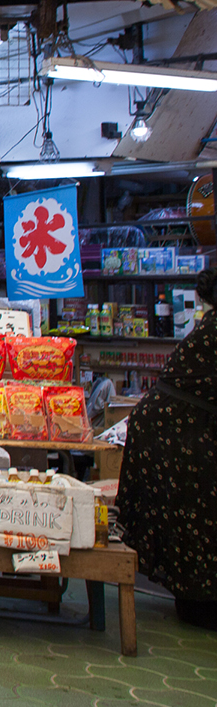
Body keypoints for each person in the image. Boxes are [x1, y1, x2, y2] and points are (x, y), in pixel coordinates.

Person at [117, 268, 217, 630]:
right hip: (177, 434)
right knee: (193, 518)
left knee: (190, 518)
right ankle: (197, 603)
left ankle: (195, 601)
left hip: (174, 429)